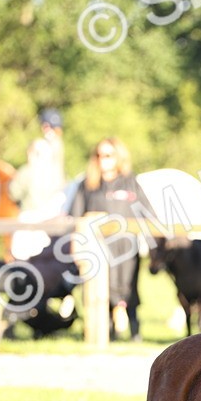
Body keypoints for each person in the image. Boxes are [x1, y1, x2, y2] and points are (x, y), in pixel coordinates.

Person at [69, 137, 155, 340]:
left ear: (118, 157)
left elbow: (148, 214)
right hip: (98, 248)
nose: (103, 160)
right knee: (100, 292)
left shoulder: (130, 182)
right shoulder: (87, 185)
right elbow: (76, 217)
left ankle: (135, 333)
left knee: (129, 290)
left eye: (108, 155)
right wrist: (76, 245)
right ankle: (104, 332)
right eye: (99, 155)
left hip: (126, 248)